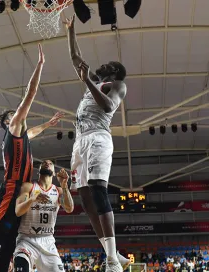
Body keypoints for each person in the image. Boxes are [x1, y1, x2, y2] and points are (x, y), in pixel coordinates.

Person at [0, 44, 63, 272]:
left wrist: (48, 124)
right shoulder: (13, 127)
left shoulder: (22, 134)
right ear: (8, 121)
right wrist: (40, 65)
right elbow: (30, 94)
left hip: (22, 191)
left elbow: (33, 132)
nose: (19, 114)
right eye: (15, 113)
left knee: (8, 248)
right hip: (11, 191)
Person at [64, 14, 129, 272]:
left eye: (107, 64)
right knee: (86, 200)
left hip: (98, 139)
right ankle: (113, 253)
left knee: (98, 191)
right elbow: (75, 58)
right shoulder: (94, 80)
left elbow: (108, 105)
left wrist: (88, 82)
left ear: (114, 71)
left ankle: (112, 260)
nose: (102, 64)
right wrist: (71, 30)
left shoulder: (118, 85)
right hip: (80, 141)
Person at [13, 160, 74, 272]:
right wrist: (32, 198)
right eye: (43, 163)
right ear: (39, 171)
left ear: (54, 173)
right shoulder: (29, 187)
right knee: (21, 267)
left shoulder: (58, 190)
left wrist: (64, 186)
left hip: (48, 241)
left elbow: (69, 208)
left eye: (50, 163)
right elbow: (18, 211)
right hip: (27, 239)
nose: (47, 163)